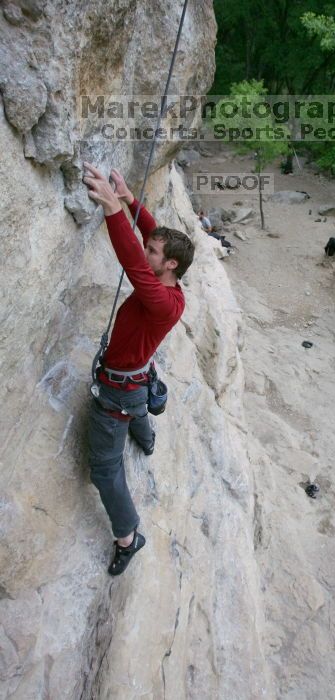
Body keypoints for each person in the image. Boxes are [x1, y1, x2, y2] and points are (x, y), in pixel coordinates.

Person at [83, 162, 195, 576]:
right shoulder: (171, 284)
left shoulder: (160, 301)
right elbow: (153, 239)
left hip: (118, 392)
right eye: (149, 246)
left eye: (154, 251)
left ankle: (128, 536)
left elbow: (133, 259)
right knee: (137, 410)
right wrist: (131, 202)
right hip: (135, 383)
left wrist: (113, 210)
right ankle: (146, 439)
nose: (147, 249)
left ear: (168, 266)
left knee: (104, 470)